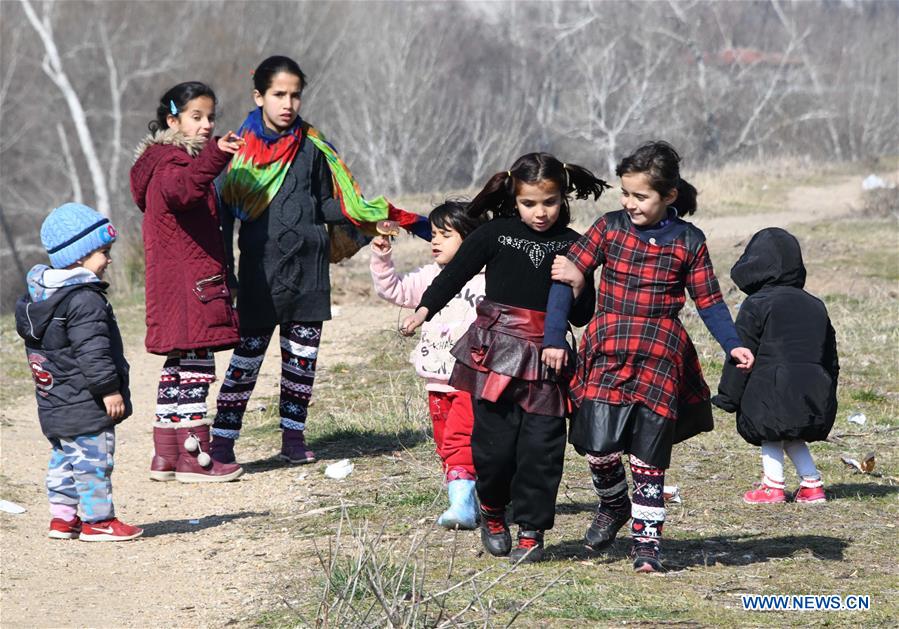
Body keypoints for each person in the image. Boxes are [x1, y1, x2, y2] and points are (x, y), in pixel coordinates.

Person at [544, 141, 754, 572]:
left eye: (640, 196)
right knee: (597, 448)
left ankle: (646, 546)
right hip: (606, 350)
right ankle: (614, 503)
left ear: (668, 197)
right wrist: (552, 335)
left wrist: (733, 344)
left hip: (660, 356)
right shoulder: (608, 228)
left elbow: (709, 302)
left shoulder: (689, 241)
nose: (629, 203)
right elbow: (566, 278)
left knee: (647, 456)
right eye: (626, 193)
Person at [402, 153, 607, 562]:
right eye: (529, 203)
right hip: (495, 352)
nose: (540, 212)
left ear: (562, 196)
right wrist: (423, 309)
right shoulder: (495, 234)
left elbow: (582, 316)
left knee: (543, 449)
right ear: (515, 197)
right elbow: (454, 274)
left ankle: (532, 530)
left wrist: (579, 280)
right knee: (494, 449)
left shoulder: (572, 244)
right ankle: (493, 511)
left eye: (549, 202)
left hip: (548, 359)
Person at [210, 55, 362, 465]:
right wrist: (226, 271)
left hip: (309, 274)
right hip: (259, 275)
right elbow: (222, 215)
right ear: (258, 96)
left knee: (301, 363)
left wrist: (366, 215)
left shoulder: (313, 145)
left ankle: (293, 438)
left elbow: (326, 202)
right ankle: (222, 442)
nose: (288, 104)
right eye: (278, 94)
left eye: (295, 95)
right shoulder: (237, 150)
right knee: (245, 362)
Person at [131, 81, 245, 483]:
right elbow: (186, 189)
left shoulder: (162, 161)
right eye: (196, 117)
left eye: (211, 117)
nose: (206, 125)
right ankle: (195, 457)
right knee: (197, 367)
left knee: (178, 367)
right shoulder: (174, 165)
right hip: (191, 288)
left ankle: (166, 453)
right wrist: (216, 156)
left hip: (176, 289)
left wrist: (210, 157)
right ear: (172, 120)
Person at [15, 203, 142, 541]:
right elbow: (93, 352)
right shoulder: (84, 299)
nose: (109, 259)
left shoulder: (40, 296)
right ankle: (98, 521)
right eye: (104, 252)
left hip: (54, 402)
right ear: (79, 256)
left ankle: (63, 518)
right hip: (86, 402)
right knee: (93, 462)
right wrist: (109, 389)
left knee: (64, 458)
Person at [370, 200, 485, 529]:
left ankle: (463, 504)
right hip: (436, 379)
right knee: (445, 443)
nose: (434, 241)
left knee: (459, 441)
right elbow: (394, 290)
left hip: (470, 381)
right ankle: (468, 499)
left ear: (472, 238)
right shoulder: (431, 276)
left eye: (445, 235)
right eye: (433, 234)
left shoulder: (490, 280)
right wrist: (381, 255)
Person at [712, 228, 838, 504]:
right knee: (791, 432)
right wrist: (828, 392)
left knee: (770, 431)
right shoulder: (816, 305)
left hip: (770, 387)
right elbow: (831, 357)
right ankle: (812, 484)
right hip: (813, 387)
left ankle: (773, 486)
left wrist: (728, 397)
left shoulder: (756, 305)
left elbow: (740, 355)